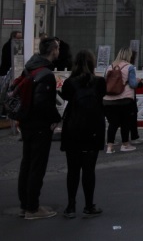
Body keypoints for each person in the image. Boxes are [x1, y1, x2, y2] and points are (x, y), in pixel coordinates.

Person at [18, 36, 61, 220]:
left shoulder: (30, 67)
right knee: (37, 165)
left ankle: (25, 204)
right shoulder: (46, 74)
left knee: (26, 163)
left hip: (26, 122)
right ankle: (33, 208)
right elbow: (43, 102)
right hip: (39, 126)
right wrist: (55, 117)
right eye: (57, 48)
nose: (59, 51)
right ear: (53, 51)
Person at [60, 49, 106, 218]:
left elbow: (65, 97)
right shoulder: (100, 82)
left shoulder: (70, 83)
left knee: (73, 169)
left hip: (73, 128)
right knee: (89, 169)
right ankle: (89, 204)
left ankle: (71, 205)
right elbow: (102, 96)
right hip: (93, 128)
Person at [102, 47, 140, 153]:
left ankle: (110, 147)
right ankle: (125, 144)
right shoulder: (129, 67)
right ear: (128, 55)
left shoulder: (109, 67)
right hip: (124, 99)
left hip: (108, 100)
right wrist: (138, 81)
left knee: (113, 124)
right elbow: (132, 84)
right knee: (125, 123)